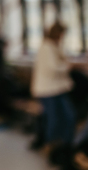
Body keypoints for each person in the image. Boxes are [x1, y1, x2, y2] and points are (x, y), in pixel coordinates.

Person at [31, 21, 76, 164]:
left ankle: (65, 146)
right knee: (54, 119)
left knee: (69, 117)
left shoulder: (55, 46)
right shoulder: (46, 47)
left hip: (58, 89)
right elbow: (53, 68)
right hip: (48, 90)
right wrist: (69, 66)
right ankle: (51, 148)